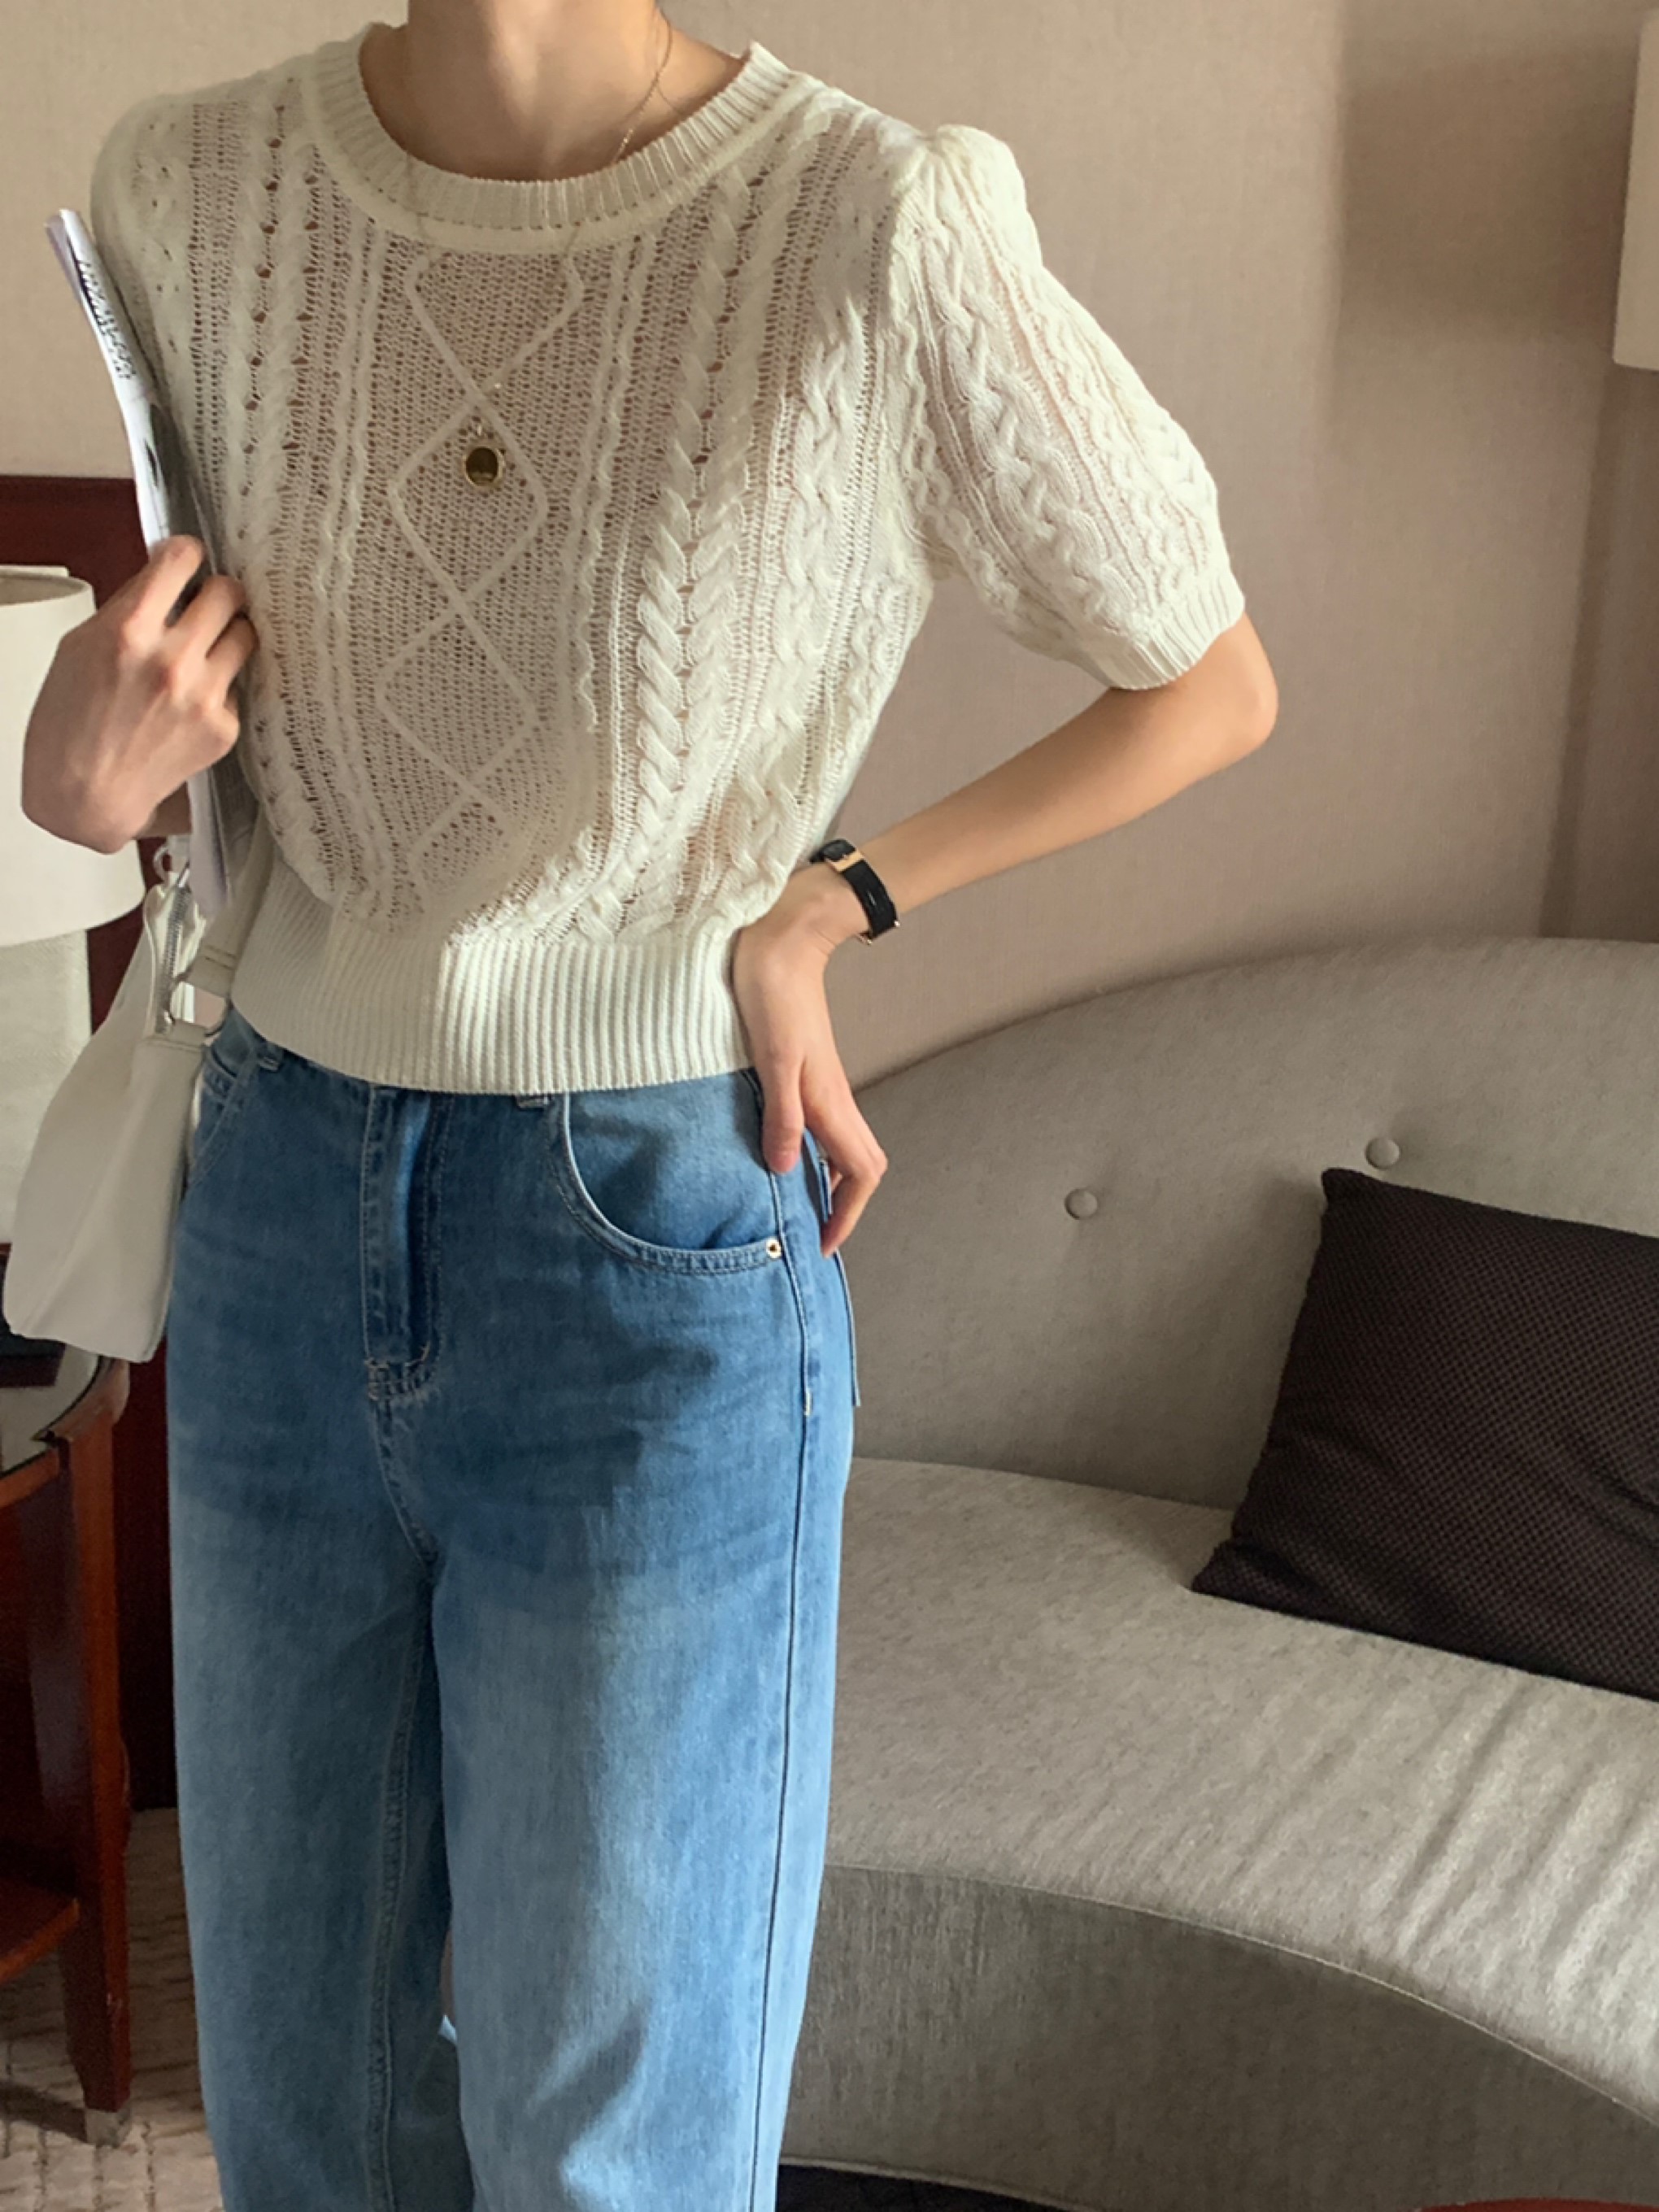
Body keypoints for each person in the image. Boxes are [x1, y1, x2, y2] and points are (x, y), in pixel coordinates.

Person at [22, 3, 1278, 2205]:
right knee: (309, 2118)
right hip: (277, 1197)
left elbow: (1205, 674)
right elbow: (205, 742)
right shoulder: (192, 190)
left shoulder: (874, 221)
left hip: (653, 1236)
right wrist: (75, 780)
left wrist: (830, 904)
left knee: (614, 2146)